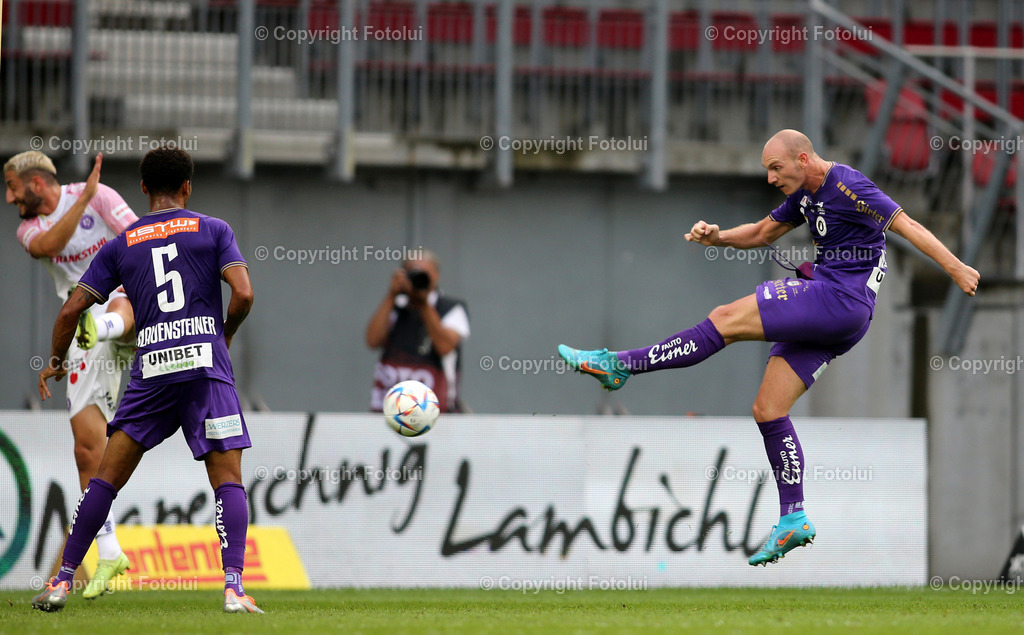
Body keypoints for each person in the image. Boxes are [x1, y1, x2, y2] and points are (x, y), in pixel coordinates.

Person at [558, 129, 980, 566]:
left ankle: (618, 365)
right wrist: (717, 238)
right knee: (768, 410)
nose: (770, 178)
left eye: (775, 168)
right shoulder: (805, 194)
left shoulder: (849, 185)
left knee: (724, 319)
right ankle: (793, 517)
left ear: (802, 158)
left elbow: (906, 225)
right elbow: (762, 233)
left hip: (839, 300)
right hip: (842, 317)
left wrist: (957, 268)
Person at [31, 146, 260, 613]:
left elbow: (73, 308)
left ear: (143, 189)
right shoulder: (215, 230)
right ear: (187, 187)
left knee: (103, 482)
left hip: (152, 372)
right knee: (227, 481)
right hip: (204, 369)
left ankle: (62, 581)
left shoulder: (123, 243)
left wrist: (56, 358)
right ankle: (234, 588)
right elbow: (243, 293)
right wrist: (224, 333)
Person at [5, 150, 138, 597]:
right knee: (87, 451)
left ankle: (107, 325)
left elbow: (143, 240)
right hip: (82, 332)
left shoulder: (100, 198)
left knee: (119, 296)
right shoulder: (31, 228)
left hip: (127, 309)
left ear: (36, 184)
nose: (8, 198)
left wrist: (90, 197)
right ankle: (111, 550)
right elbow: (50, 246)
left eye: (12, 187)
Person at [366, 251, 470, 412]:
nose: (417, 280)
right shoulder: (395, 307)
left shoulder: (451, 308)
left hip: (434, 410)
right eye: (413, 274)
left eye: (423, 275)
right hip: (391, 409)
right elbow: (372, 340)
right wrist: (391, 295)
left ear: (436, 276)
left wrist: (424, 303)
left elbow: (445, 346)